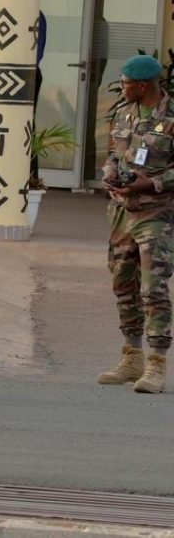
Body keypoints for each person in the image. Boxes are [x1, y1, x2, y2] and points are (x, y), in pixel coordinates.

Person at [98, 54, 174, 394]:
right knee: (123, 283)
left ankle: (157, 363)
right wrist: (110, 173)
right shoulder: (124, 112)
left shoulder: (170, 118)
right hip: (121, 213)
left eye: (127, 83)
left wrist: (151, 183)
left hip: (155, 215)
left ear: (142, 85)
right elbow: (114, 153)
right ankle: (132, 356)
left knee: (152, 288)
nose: (122, 87)